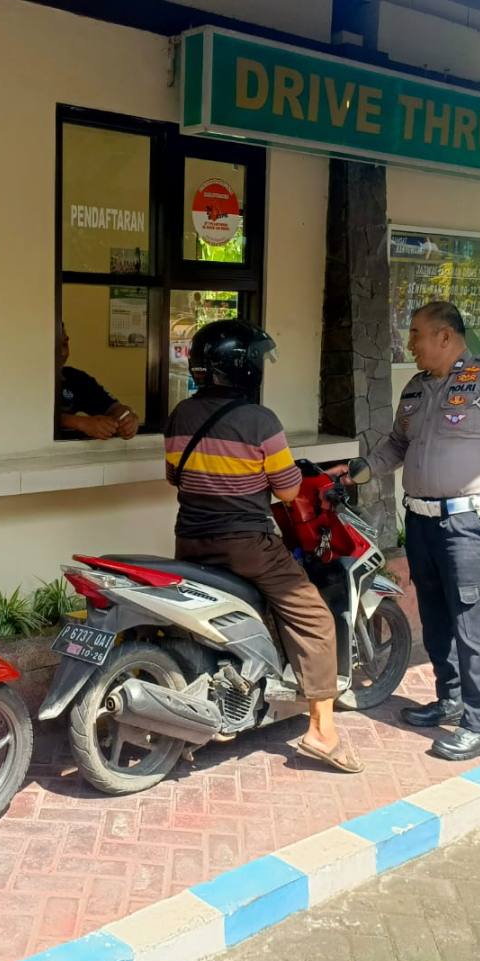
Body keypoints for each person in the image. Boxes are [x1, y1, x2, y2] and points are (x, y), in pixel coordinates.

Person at [330, 301, 480, 762]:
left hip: (469, 525)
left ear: (444, 336)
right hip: (421, 521)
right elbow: (396, 445)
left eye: (416, 334)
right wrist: (362, 470)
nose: (410, 344)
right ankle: (451, 698)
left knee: (474, 625)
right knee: (437, 617)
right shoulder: (416, 388)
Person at [166, 319, 362, 773]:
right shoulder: (261, 421)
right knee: (315, 616)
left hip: (189, 541)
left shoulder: (181, 414)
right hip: (247, 545)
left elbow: (174, 476)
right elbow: (290, 491)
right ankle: (322, 731)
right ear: (244, 367)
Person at [58, 327, 141, 440]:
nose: (62, 352)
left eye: (64, 344)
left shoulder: (75, 378)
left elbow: (113, 408)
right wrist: (79, 423)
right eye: (55, 345)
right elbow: (36, 417)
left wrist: (127, 418)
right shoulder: (32, 379)